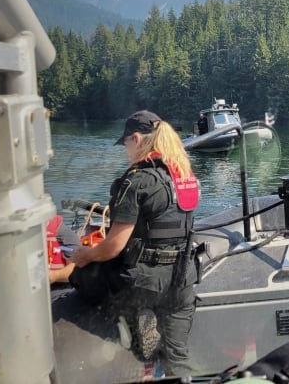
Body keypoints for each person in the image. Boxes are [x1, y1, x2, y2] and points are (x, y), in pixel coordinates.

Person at [51, 110, 201, 377]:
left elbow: (114, 246)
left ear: (135, 139)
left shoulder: (136, 181)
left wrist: (86, 255)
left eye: (126, 145)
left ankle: (134, 320)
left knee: (82, 275)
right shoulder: (185, 176)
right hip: (182, 280)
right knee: (178, 356)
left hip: (140, 283)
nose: (125, 151)